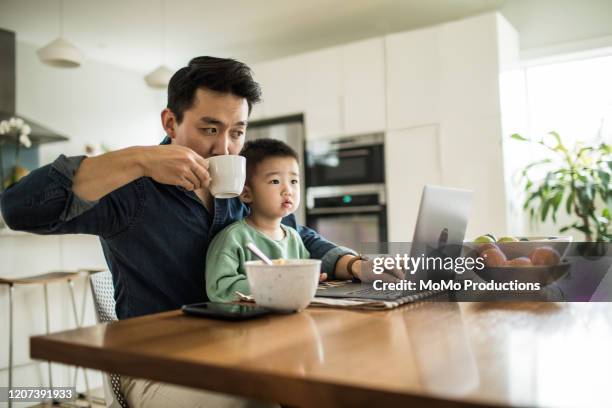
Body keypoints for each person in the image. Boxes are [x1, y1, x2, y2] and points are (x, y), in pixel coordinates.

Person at [0, 56, 401, 407]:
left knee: (338, 383)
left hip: (243, 346)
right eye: (210, 129)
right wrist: (139, 159)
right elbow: (18, 208)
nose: (225, 148)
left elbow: (296, 234)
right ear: (171, 122)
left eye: (237, 132)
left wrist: (353, 264)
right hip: (158, 365)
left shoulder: (240, 188)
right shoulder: (131, 190)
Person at [206, 138, 315, 302]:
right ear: (246, 194)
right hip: (247, 323)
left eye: (293, 181)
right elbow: (220, 288)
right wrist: (272, 284)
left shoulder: (294, 238)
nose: (288, 190)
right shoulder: (233, 238)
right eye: (275, 181)